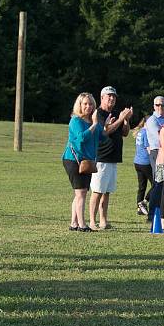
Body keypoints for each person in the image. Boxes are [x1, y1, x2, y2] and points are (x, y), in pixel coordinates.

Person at [89, 86, 133, 230]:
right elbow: (106, 131)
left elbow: (125, 133)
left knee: (106, 192)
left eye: (114, 96)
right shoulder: (98, 113)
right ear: (102, 98)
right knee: (97, 191)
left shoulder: (115, 113)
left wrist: (125, 120)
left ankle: (103, 221)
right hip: (101, 158)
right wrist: (120, 118)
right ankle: (91, 221)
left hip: (113, 158)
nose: (112, 98)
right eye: (109, 96)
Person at [62, 92, 105, 232]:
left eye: (91, 104)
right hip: (73, 160)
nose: (88, 106)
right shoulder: (76, 121)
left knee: (81, 192)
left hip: (87, 162)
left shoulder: (93, 121)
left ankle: (74, 223)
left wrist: (105, 126)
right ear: (79, 105)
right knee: (81, 193)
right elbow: (81, 139)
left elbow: (102, 138)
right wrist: (94, 125)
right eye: (85, 103)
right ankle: (82, 225)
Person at [145, 96, 164, 223]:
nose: (160, 107)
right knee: (158, 183)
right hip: (157, 152)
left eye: (163, 105)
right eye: (158, 105)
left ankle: (161, 213)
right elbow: (161, 136)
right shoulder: (151, 120)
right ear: (154, 106)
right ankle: (152, 214)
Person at [132, 115, 153, 216]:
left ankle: (139, 209)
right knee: (156, 184)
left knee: (142, 186)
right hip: (145, 162)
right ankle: (144, 202)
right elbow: (149, 149)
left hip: (137, 162)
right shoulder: (147, 133)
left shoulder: (140, 131)